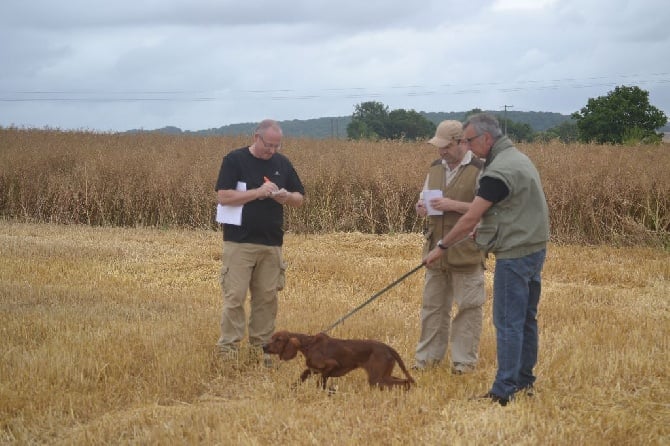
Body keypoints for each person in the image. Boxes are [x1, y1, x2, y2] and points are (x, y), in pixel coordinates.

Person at [424, 113, 549, 406]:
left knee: (508, 322)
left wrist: (441, 246)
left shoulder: (496, 171)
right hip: (534, 246)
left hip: (515, 253)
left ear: (486, 139)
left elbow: (470, 217)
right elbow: (511, 207)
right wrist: (488, 228)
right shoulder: (518, 158)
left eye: (468, 140)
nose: (466, 146)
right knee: (526, 319)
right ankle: (524, 381)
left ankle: (503, 391)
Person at [215, 119, 305, 365]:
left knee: (266, 299)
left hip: (271, 243)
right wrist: (258, 192)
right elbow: (223, 196)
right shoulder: (235, 160)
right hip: (239, 243)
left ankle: (262, 351)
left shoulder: (282, 163)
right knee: (235, 297)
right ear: (256, 137)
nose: (272, 151)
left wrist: (286, 196)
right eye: (269, 145)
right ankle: (228, 352)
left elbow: (300, 197)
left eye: (277, 146)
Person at [413, 120, 486, 374]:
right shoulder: (434, 168)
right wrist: (421, 208)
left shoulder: (481, 169)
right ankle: (426, 361)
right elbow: (422, 201)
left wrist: (452, 204)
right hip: (435, 251)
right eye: (438, 147)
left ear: (461, 143)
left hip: (466, 251)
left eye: (445, 146)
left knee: (468, 308)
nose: (441, 151)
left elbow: (488, 209)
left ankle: (463, 364)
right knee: (432, 308)